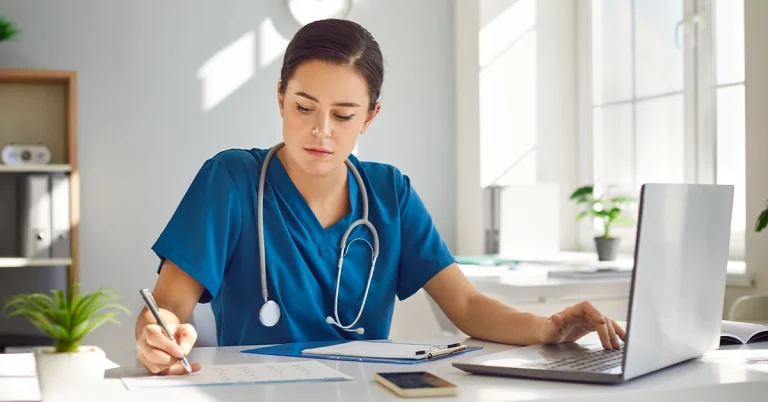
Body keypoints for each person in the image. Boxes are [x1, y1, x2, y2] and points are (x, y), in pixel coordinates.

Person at [134, 18, 626, 375]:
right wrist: (157, 336)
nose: (321, 131)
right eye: (304, 106)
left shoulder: (389, 193)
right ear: (281, 96)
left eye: (344, 115)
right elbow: (169, 303)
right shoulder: (231, 179)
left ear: (370, 116)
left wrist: (547, 328)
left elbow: (468, 305)